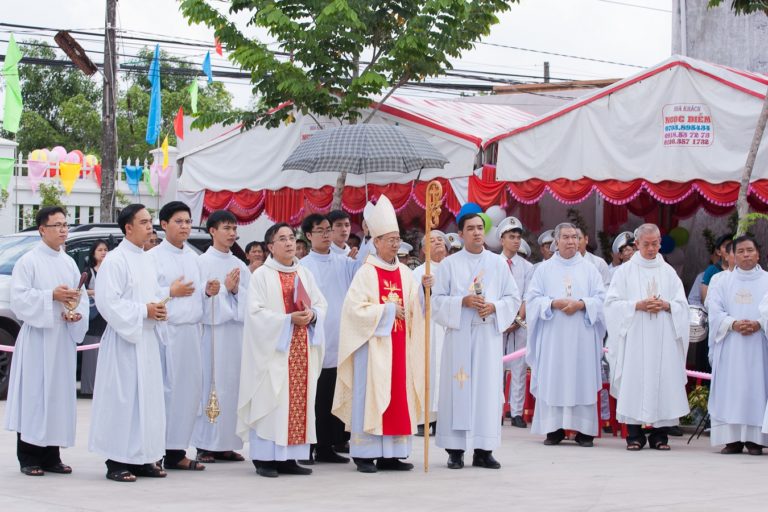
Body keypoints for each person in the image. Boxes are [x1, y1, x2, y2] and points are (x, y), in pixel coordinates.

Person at [333, 195, 425, 474]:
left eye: (398, 239)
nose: (395, 244)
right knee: (370, 396)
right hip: (372, 349)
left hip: (400, 347)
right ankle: (365, 453)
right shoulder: (366, 273)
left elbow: (415, 310)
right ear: (376, 242)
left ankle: (392, 454)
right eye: (390, 239)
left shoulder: (406, 274)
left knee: (398, 395)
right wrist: (385, 312)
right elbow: (353, 312)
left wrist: (425, 292)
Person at [432, 206, 520, 469]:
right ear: (460, 234)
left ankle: (484, 449)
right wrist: (463, 301)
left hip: (486, 336)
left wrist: (494, 306)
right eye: (470, 229)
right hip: (459, 336)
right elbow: (436, 302)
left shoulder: (497, 264)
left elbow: (513, 298)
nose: (476, 233)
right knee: (458, 389)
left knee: (486, 390)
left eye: (480, 228)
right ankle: (455, 450)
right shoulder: (449, 265)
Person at [4, 206, 88, 477]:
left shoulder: (68, 262)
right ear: (42, 229)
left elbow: (80, 296)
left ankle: (52, 455)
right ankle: (29, 456)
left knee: (58, 397)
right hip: (39, 339)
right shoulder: (29, 261)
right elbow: (19, 300)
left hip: (61, 338)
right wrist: (50, 296)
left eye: (66, 224)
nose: (64, 229)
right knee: (35, 396)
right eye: (57, 225)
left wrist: (75, 313)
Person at [238, 223, 327, 478]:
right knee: (272, 402)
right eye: (282, 239)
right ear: (270, 246)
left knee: (297, 403)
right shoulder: (261, 276)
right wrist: (288, 320)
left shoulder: (304, 273)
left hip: (301, 351)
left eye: (291, 238)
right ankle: (265, 459)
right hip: (274, 353)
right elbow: (255, 314)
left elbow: (321, 304)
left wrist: (312, 315)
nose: (289, 243)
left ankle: (290, 458)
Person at [89, 204, 168, 482]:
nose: (151, 227)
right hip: (124, 342)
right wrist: (143, 311)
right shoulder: (115, 260)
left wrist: (159, 310)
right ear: (128, 228)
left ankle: (144, 457)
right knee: (123, 402)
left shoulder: (148, 258)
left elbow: (155, 294)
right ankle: (117, 461)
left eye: (151, 222)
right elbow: (108, 303)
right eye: (144, 222)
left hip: (146, 340)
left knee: (147, 402)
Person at [605, 223, 690, 451]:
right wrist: (637, 305)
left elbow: (682, 304)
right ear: (636, 244)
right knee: (635, 380)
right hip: (635, 337)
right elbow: (611, 305)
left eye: (655, 244)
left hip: (663, 337)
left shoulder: (668, 272)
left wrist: (667, 305)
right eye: (646, 244)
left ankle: (659, 435)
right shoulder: (625, 272)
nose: (651, 249)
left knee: (662, 381)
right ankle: (634, 435)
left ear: (660, 243)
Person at [526, 222, 605, 447]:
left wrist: (582, 304)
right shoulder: (543, 270)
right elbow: (531, 301)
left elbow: (602, 301)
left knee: (582, 377)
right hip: (554, 337)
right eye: (566, 237)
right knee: (554, 377)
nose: (571, 241)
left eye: (575, 237)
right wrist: (553, 303)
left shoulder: (590, 270)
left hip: (582, 336)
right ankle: (554, 429)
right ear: (556, 242)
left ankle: (584, 431)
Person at [148, 201, 206, 471]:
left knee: (188, 392)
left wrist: (210, 291)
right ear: (163, 225)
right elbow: (146, 294)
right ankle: (156, 451)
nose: (185, 226)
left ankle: (177, 450)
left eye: (188, 221)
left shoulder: (195, 257)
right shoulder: (153, 257)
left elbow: (200, 295)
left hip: (191, 333)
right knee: (165, 392)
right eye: (179, 221)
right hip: (166, 333)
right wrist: (171, 291)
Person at [192, 210, 250, 464]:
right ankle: (206, 444)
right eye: (226, 228)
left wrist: (236, 290)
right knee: (211, 386)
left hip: (236, 335)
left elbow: (251, 302)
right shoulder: (201, 263)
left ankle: (227, 443)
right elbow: (200, 302)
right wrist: (224, 291)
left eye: (234, 228)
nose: (232, 233)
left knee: (233, 387)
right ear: (212, 230)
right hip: (213, 336)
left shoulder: (240, 264)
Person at [300, 213, 357, 464]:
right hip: (315, 336)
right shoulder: (303, 266)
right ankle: (308, 446)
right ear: (308, 236)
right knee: (314, 394)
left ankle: (328, 445)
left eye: (327, 230)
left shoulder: (344, 261)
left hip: (340, 336)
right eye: (320, 231)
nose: (326, 234)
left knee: (334, 393)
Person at [707, 236, 768, 455]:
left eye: (750, 250)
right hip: (731, 343)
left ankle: (756, 440)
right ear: (732, 255)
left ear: (758, 253)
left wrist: (759, 323)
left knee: (757, 388)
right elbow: (714, 311)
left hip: (759, 345)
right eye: (740, 251)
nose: (745, 255)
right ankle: (732, 439)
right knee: (731, 389)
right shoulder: (722, 281)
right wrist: (732, 323)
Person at [412, 230, 450, 437]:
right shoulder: (418, 272)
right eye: (431, 241)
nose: (437, 244)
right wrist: (424, 288)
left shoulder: (453, 268)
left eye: (440, 240)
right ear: (423, 249)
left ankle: (443, 417)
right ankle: (422, 418)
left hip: (447, 328)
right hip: (427, 327)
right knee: (426, 370)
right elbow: (412, 301)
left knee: (444, 372)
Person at [497, 216, 533, 429]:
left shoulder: (527, 267)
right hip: (498, 319)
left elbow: (527, 295)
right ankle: (497, 409)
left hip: (520, 321)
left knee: (519, 367)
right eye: (511, 237)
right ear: (502, 239)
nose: (516, 241)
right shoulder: (493, 263)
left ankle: (517, 412)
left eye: (518, 237)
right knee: (497, 366)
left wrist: (517, 319)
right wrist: (504, 317)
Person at [80, 239, 110, 397]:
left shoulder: (111, 269)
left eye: (105, 249)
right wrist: (96, 292)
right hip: (93, 316)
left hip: (106, 316)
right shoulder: (88, 271)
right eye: (100, 250)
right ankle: (89, 388)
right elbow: (80, 291)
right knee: (91, 354)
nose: (104, 252)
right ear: (93, 253)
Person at [700, 234, 733, 302]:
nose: (729, 250)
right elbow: (704, 298)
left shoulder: (741, 270)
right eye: (726, 246)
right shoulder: (711, 270)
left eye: (732, 247)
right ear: (718, 252)